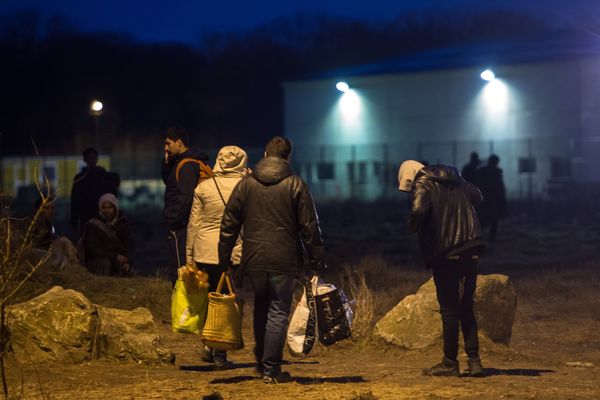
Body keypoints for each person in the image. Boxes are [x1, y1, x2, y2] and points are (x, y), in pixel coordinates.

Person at [219, 137, 325, 384]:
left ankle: (260, 362)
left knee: (261, 308)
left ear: (266, 153)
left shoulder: (246, 184)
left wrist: (224, 257)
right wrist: (317, 259)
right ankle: (271, 369)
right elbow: (310, 227)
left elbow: (229, 223)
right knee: (278, 310)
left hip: (254, 257)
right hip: (283, 258)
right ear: (288, 157)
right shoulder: (295, 184)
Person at [397, 160, 486, 377]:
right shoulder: (456, 178)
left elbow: (418, 210)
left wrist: (412, 224)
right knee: (466, 306)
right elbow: (478, 197)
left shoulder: (422, 182)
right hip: (471, 247)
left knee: (448, 309)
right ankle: (474, 362)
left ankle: (450, 363)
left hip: (446, 251)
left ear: (410, 177)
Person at [186, 145, 248, 370]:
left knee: (209, 297)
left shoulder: (203, 187)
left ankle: (208, 345)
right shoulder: (247, 187)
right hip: (233, 252)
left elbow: (194, 224)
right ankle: (220, 353)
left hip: (205, 250)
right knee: (227, 302)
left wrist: (189, 257)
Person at [161, 126, 209, 282]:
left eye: (168, 143)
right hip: (184, 224)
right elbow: (171, 184)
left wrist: (173, 220)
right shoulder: (182, 162)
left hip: (182, 226)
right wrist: (167, 162)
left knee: (180, 270)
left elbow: (184, 198)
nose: (165, 147)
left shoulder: (187, 166)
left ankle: (183, 304)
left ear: (179, 143)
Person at [81, 193, 134, 276]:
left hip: (118, 261)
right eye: (104, 207)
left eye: (110, 207)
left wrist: (127, 261)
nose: (107, 211)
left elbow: (128, 245)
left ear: (115, 208)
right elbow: (93, 249)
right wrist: (115, 256)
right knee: (105, 263)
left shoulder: (122, 224)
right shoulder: (93, 225)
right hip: (99, 262)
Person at [70, 147, 108, 234]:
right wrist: (74, 219)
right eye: (89, 158)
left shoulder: (103, 176)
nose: (92, 161)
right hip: (85, 215)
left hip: (100, 215)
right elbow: (74, 200)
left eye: (94, 158)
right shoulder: (80, 178)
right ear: (85, 160)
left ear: (97, 159)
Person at [476, 154, 507, 243]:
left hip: (483, 197)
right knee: (494, 219)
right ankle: (491, 239)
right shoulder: (497, 171)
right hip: (494, 198)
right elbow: (500, 186)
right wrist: (502, 199)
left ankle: (477, 237)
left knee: (483, 218)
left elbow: (477, 183)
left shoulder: (481, 171)